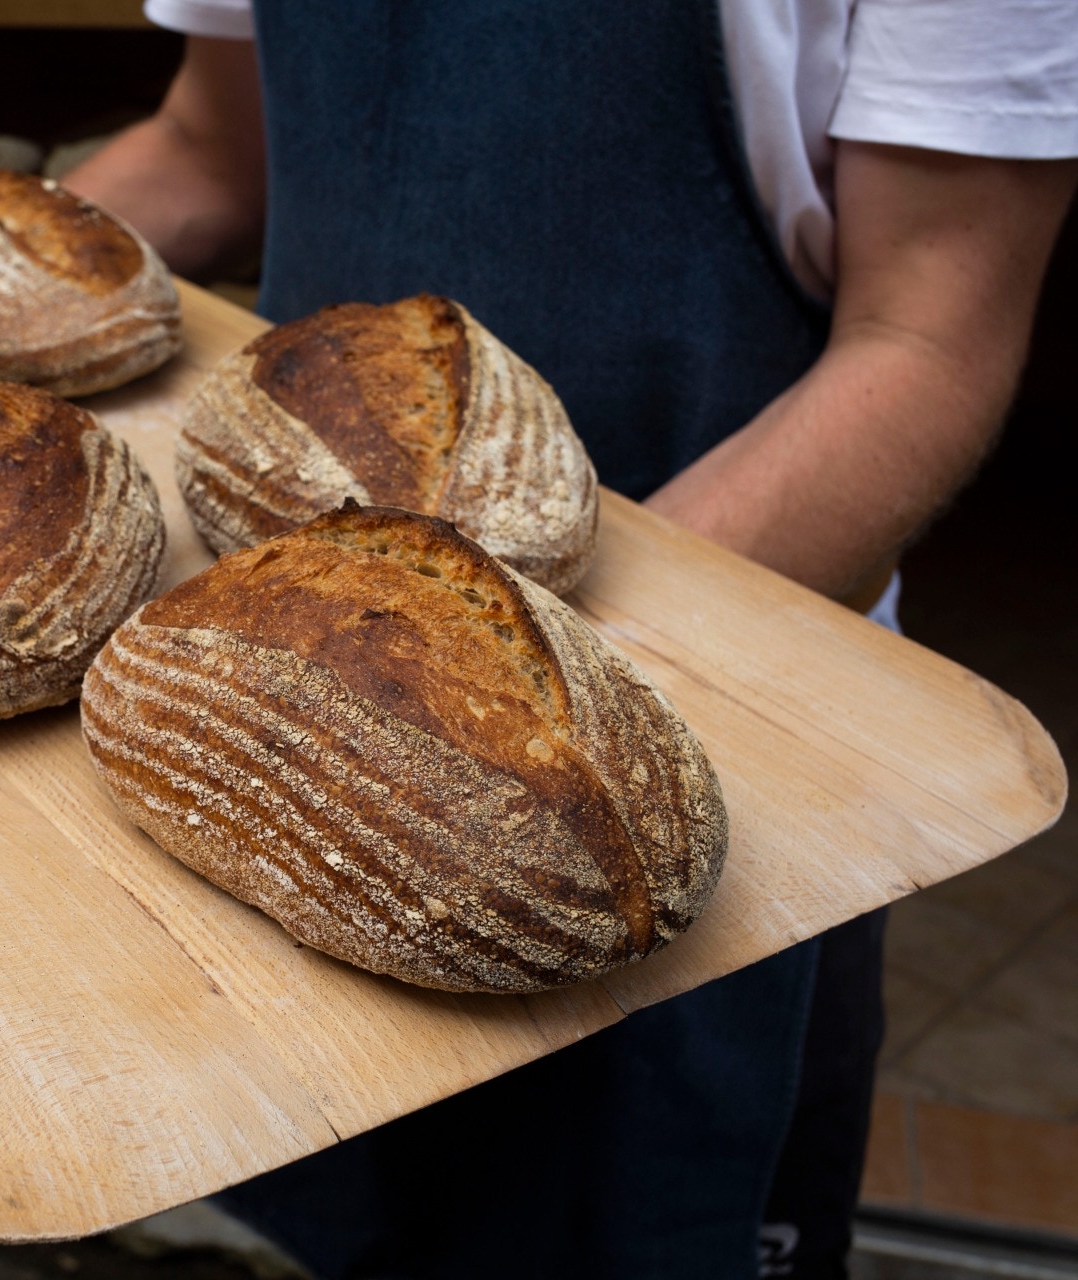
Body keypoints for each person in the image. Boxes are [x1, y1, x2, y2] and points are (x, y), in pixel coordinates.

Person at [67, 3, 1078, 1277]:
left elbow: (929, 331)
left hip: (691, 732)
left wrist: (545, 721)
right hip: (301, 719)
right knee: (375, 1231)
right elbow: (207, 149)